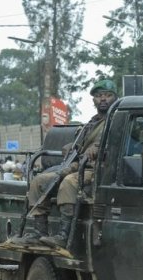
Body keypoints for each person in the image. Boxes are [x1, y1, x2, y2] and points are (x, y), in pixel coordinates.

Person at [11, 79, 118, 248]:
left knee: (69, 183)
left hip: (100, 172)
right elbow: (80, 147)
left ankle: (63, 235)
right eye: (99, 96)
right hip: (79, 166)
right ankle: (40, 232)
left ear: (115, 98)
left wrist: (98, 150)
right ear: (93, 100)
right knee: (39, 182)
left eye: (108, 95)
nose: (103, 99)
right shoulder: (91, 123)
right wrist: (73, 147)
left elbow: (114, 145)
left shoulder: (117, 121)